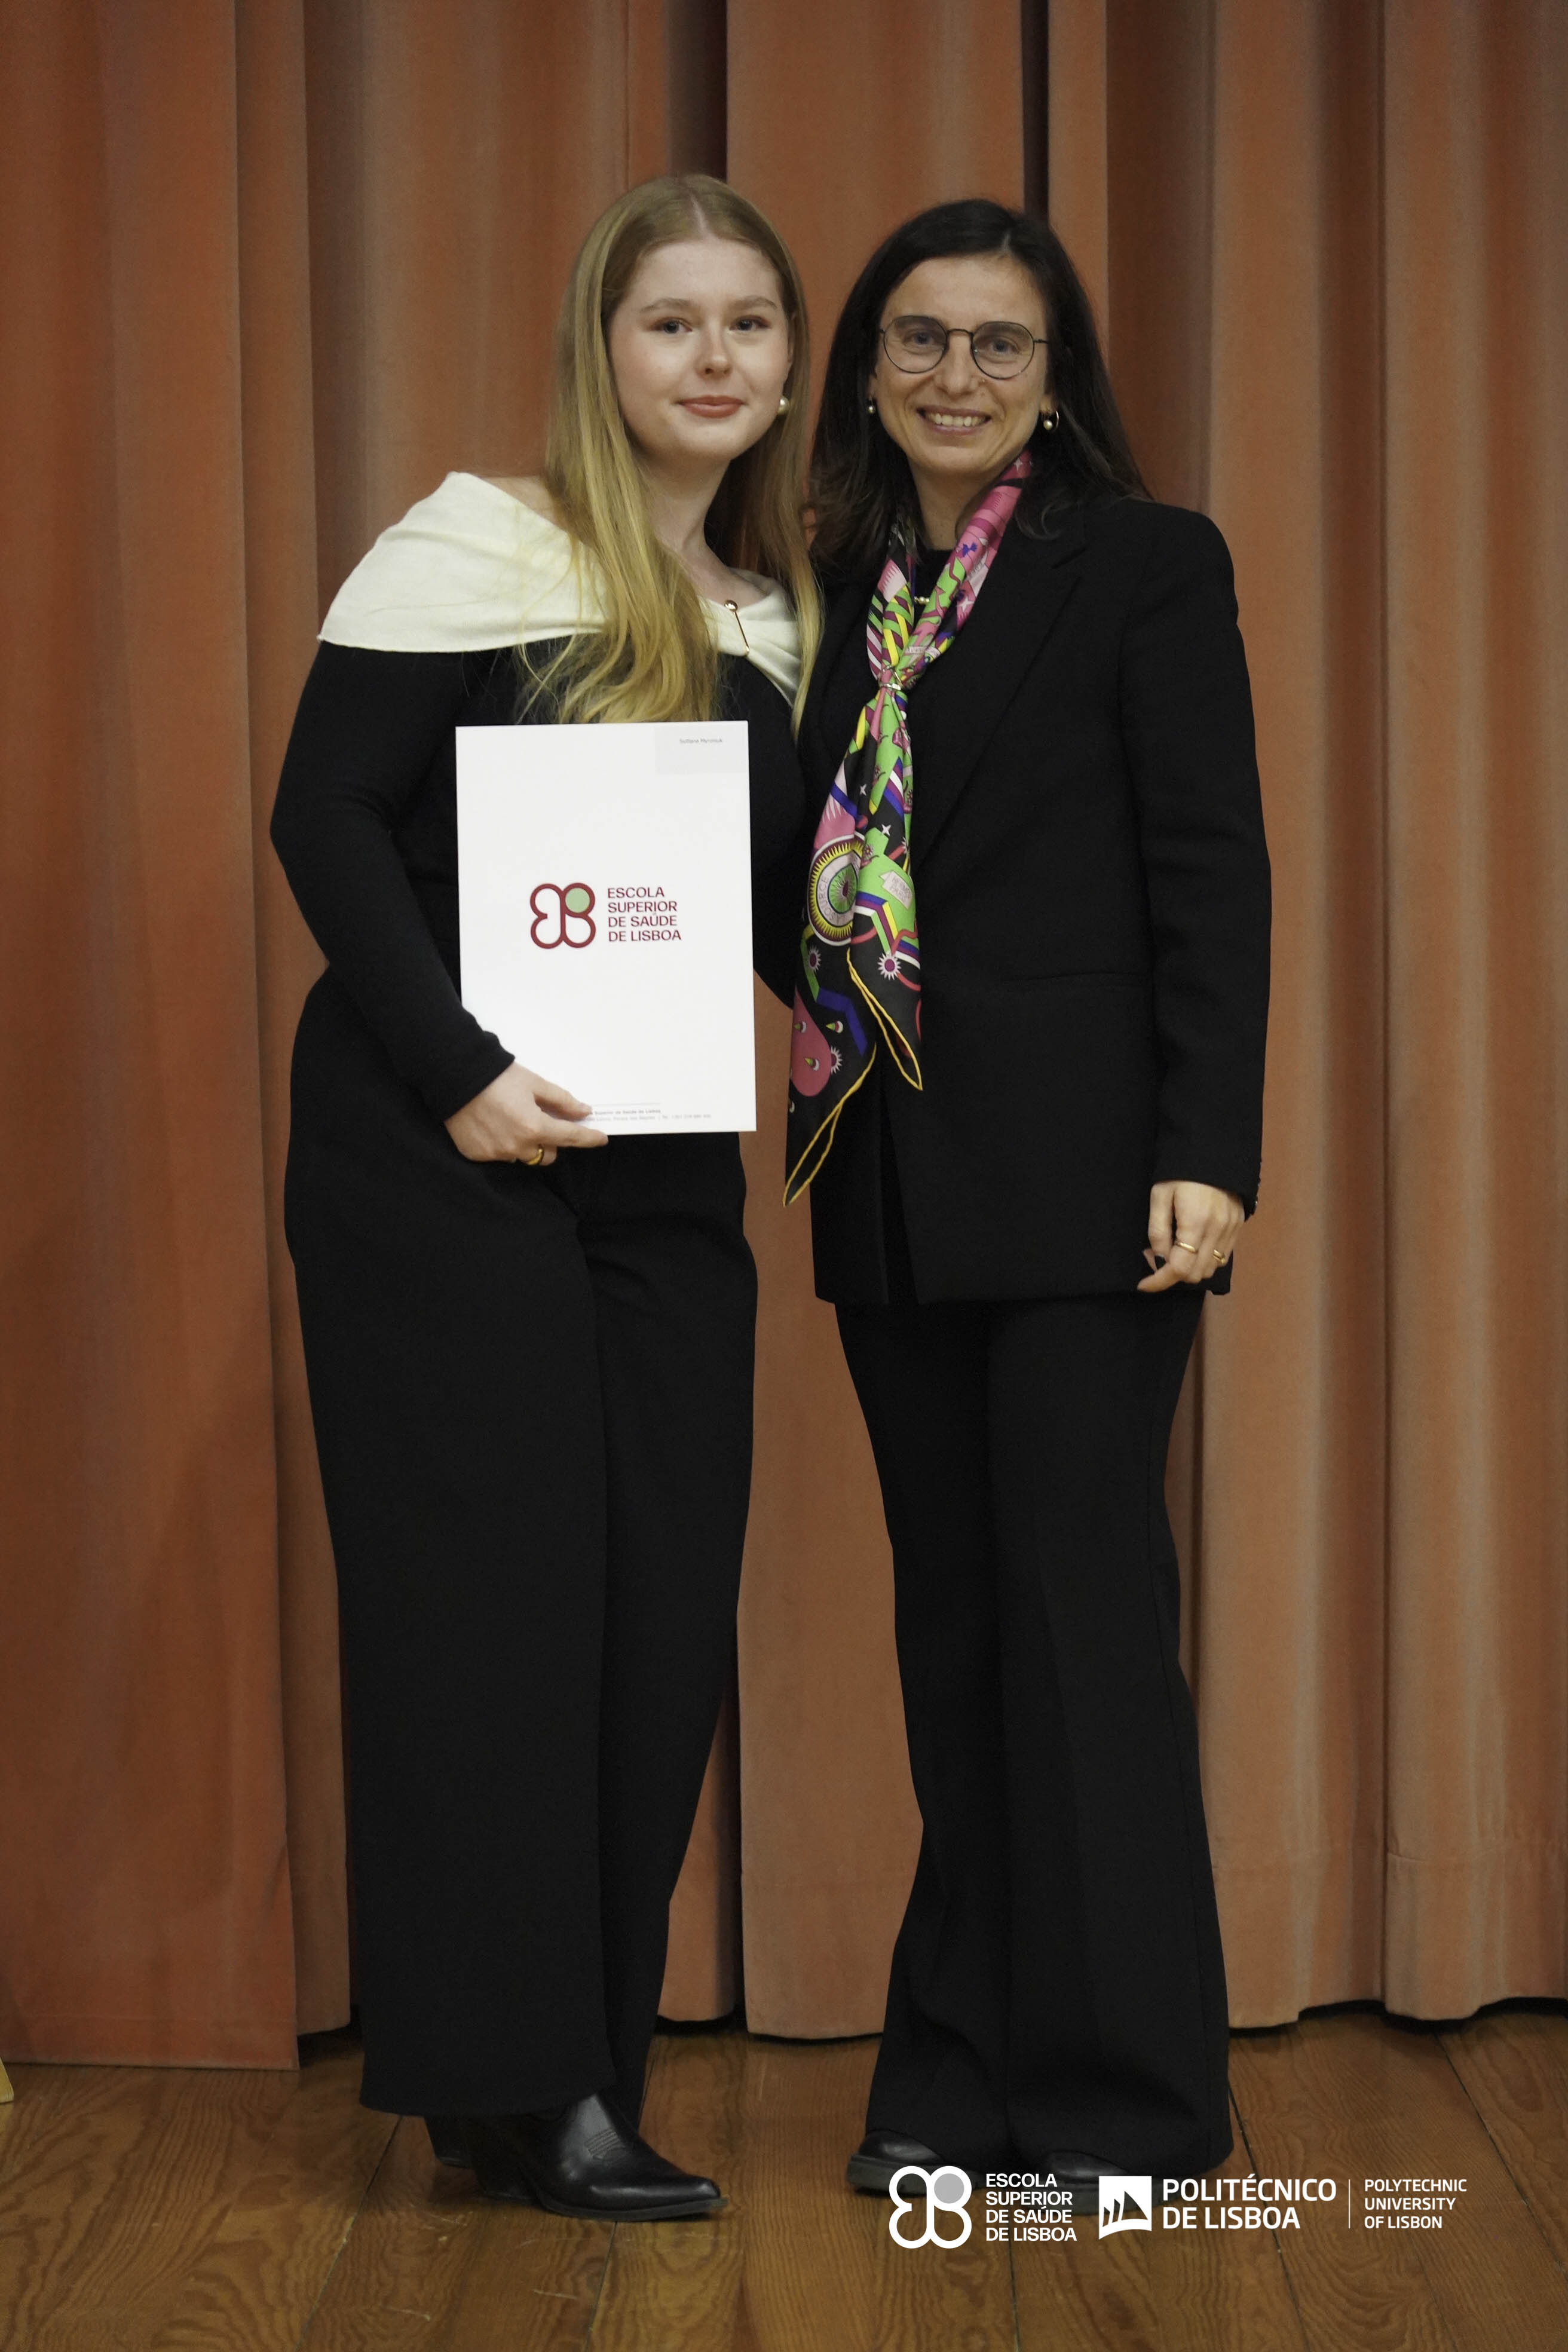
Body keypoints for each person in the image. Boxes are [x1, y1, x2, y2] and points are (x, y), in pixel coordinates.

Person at [271, 174, 817, 2221]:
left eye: (748, 323)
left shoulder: (775, 620)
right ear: (603, 348)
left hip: (662, 1175)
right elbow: (323, 815)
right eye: (672, 320)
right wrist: (460, 1074)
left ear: (791, 366)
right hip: (441, 1159)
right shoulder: (474, 544)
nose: (712, 357)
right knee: (486, 1623)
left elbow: (774, 924)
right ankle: (518, 2090)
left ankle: (568, 2064)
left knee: (656, 1617)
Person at [788, 199, 1270, 2207]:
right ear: (867, 367)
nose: (958, 376)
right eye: (921, 337)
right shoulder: (820, 586)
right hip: (887, 1184)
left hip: (1095, 1193)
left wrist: (1210, 1146)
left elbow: (1211, 865)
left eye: (1001, 343)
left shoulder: (1146, 563)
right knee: (959, 1638)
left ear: (1056, 378)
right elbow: (787, 875)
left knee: (1081, 1630)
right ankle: (963, 2071)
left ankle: (1129, 2107)